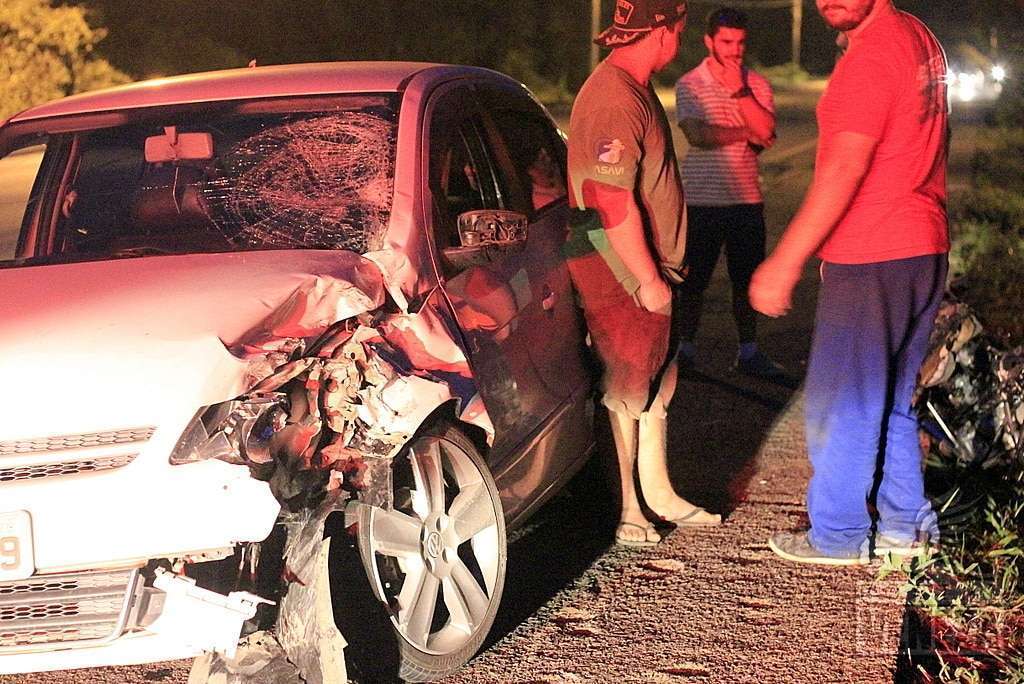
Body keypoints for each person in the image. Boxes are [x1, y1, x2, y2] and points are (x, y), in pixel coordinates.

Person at [749, 0, 949, 564]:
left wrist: (785, 260)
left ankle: (836, 533)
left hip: (875, 249)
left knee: (844, 401)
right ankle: (905, 526)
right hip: (922, 244)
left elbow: (844, 167)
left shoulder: (873, 55)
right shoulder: (918, 38)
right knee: (891, 400)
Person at [566, 0, 720, 547]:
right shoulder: (614, 97)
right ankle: (629, 508)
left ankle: (658, 492)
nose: (681, 38)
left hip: (648, 266)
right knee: (627, 385)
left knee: (657, 378)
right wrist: (648, 281)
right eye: (679, 28)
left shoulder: (631, 86)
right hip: (622, 271)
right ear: (662, 31)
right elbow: (608, 200)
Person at [674, 7, 781, 377]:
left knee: (746, 280)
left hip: (746, 200)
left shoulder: (757, 85)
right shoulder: (690, 83)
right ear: (710, 42)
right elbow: (697, 135)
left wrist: (739, 92)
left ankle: (749, 352)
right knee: (692, 281)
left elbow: (766, 132)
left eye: (740, 42)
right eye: (726, 42)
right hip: (702, 200)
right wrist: (744, 132)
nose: (735, 49)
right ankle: (684, 351)